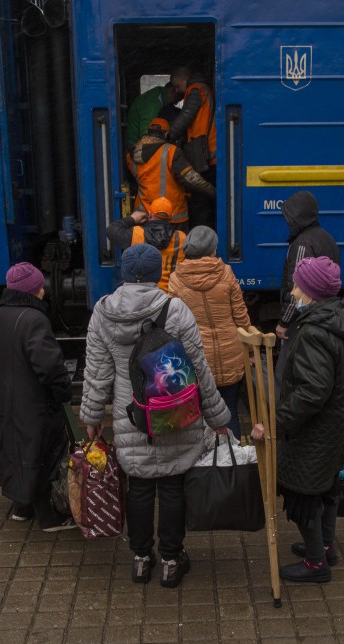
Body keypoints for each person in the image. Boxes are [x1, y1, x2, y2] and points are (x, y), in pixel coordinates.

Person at [80, 243, 231, 588]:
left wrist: (92, 416)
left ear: (123, 273)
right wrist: (218, 418)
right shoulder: (175, 310)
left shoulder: (103, 312)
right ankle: (171, 561)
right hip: (175, 413)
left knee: (140, 487)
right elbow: (198, 370)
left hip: (132, 416)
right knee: (173, 486)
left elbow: (97, 372)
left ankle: (140, 560)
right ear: (156, 273)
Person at [251, 256, 344, 583]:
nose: (293, 292)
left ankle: (317, 564)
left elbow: (312, 392)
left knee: (302, 491)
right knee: (326, 484)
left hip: (318, 430)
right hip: (342, 423)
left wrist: (274, 424)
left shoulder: (314, 331)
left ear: (312, 292)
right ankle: (325, 546)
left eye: (298, 286)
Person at [0, 262, 75, 531]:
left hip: (6, 401)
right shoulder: (34, 319)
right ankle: (49, 518)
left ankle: (21, 508)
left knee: (16, 450)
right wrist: (64, 391)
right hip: (35, 404)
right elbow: (49, 367)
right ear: (36, 289)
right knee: (43, 454)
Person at [168, 226, 251, 438]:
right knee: (230, 410)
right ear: (213, 249)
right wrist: (249, 351)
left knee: (201, 415)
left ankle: (208, 456)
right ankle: (233, 455)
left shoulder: (176, 279)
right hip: (231, 353)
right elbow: (241, 316)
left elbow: (174, 324)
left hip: (198, 357)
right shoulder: (226, 272)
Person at [127, 118, 215, 234]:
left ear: (148, 132)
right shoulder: (171, 151)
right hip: (171, 215)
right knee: (176, 245)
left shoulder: (131, 154)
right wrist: (213, 192)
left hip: (144, 215)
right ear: (166, 134)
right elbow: (192, 180)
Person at [275, 190, 340, 343]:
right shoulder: (326, 237)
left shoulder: (303, 244)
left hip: (304, 319)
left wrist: (285, 322)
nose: (287, 223)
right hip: (324, 315)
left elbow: (298, 288)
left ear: (298, 216)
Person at [166, 67, 216, 229]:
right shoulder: (202, 89)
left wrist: (169, 134)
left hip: (206, 153)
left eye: (178, 86)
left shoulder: (196, 90)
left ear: (184, 80)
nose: (177, 91)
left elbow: (186, 116)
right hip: (205, 151)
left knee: (200, 199)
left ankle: (202, 234)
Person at [108, 197, 186, 292]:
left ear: (149, 214)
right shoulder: (181, 237)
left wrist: (132, 219)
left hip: (141, 293)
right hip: (169, 294)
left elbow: (111, 230)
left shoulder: (135, 233)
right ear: (171, 216)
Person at [126, 84, 179, 149]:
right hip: (135, 143)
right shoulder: (153, 104)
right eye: (178, 98)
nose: (176, 103)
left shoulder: (158, 95)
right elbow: (146, 135)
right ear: (173, 91)